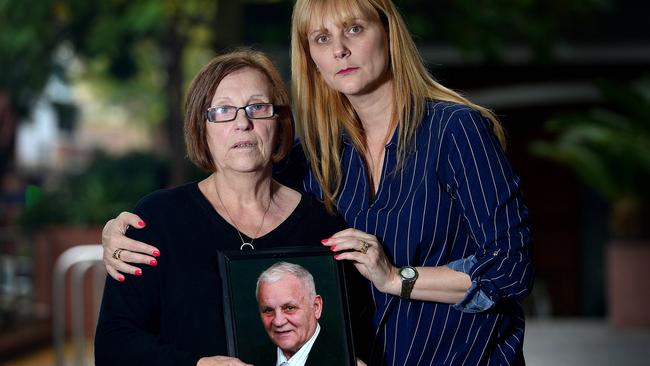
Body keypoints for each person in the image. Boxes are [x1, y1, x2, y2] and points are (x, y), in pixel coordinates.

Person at [101, 0, 534, 364]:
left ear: (388, 33)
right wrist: (121, 229)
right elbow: (235, 188)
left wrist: (395, 278)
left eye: (354, 28)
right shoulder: (316, 156)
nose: (341, 50)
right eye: (322, 39)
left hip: (461, 355)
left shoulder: (456, 130)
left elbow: (512, 269)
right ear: (311, 57)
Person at [94, 49, 360, 366]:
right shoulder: (158, 220)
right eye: (223, 111)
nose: (243, 123)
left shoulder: (323, 226)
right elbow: (114, 346)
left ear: (279, 122)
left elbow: (351, 341)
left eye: (257, 107)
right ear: (201, 127)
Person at [255, 261, 343, 366]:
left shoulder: (345, 359)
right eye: (268, 310)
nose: (278, 322)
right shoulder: (250, 360)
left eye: (289, 308)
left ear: (316, 307)